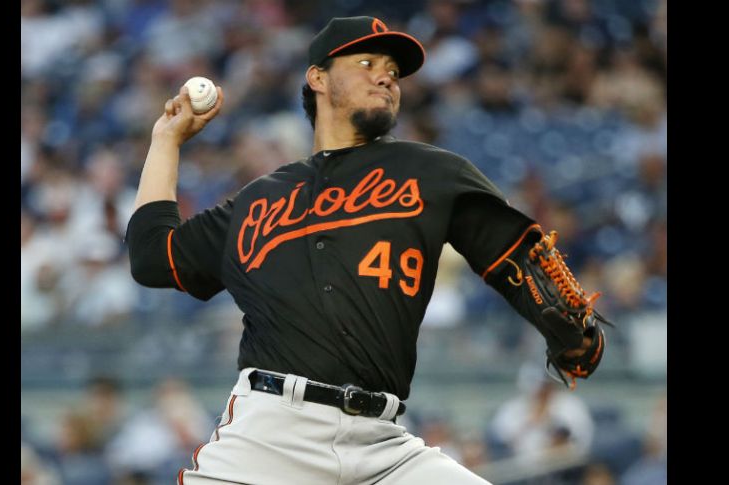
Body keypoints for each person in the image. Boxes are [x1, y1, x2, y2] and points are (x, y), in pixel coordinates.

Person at [126, 16, 608, 485]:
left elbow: (516, 255)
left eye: (394, 72)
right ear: (317, 77)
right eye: (367, 62)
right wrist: (166, 139)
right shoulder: (256, 202)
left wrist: (571, 331)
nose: (387, 76)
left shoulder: (430, 174)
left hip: (383, 446)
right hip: (269, 440)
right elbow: (152, 257)